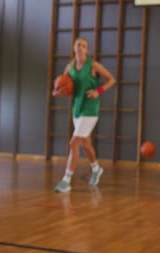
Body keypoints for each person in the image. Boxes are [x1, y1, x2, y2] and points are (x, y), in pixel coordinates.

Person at [54, 37, 116, 193]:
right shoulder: (69, 67)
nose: (81, 47)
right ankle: (96, 169)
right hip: (77, 110)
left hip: (90, 109)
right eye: (78, 45)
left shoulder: (93, 65)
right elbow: (65, 86)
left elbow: (111, 79)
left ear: (87, 50)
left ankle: (66, 180)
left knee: (74, 142)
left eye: (84, 46)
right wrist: (58, 91)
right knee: (85, 144)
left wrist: (98, 91)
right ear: (74, 48)